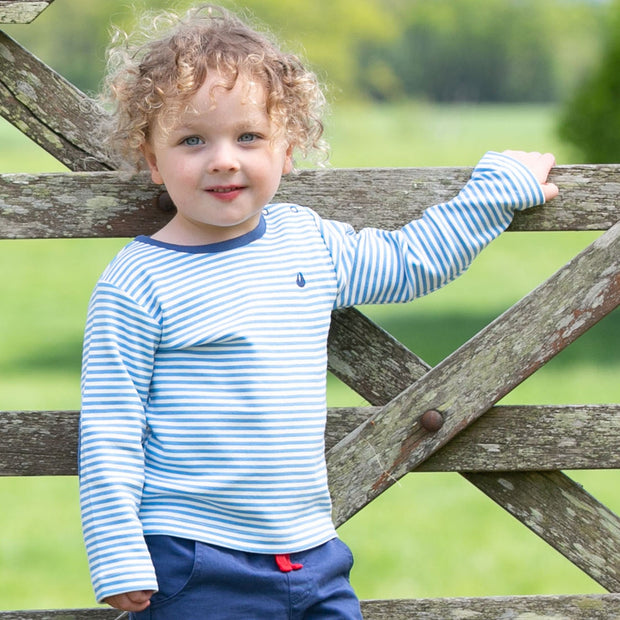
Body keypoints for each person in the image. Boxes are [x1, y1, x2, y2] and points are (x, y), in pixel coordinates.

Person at [78, 3, 559, 618]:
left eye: (249, 136)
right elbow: (110, 427)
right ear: (151, 158)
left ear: (287, 148)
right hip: (194, 558)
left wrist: (497, 192)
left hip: (312, 554)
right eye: (192, 140)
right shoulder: (138, 280)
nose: (224, 158)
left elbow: (411, 262)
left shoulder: (308, 242)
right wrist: (116, 551)